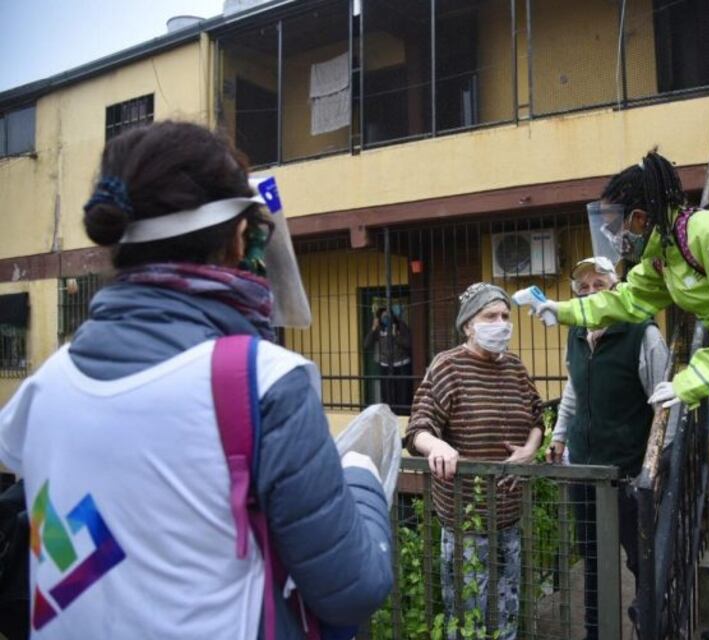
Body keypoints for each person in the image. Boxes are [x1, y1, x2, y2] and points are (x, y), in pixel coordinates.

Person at [0, 122, 393, 638]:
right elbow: (354, 588)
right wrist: (362, 477)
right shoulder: (265, 382)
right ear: (237, 237)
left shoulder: (43, 387)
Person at [536, 150, 709, 639]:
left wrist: (690, 380)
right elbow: (626, 300)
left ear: (640, 217)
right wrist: (562, 310)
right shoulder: (663, 256)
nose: (614, 235)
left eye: (616, 225)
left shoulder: (705, 232)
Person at [405, 282, 544, 640]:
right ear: (468, 325)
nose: (501, 324)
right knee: (467, 616)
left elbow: (537, 417)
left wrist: (530, 449)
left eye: (505, 316)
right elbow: (418, 427)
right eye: (490, 316)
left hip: (510, 515)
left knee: (507, 610)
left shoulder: (515, 367)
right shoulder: (447, 366)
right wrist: (436, 446)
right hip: (466, 521)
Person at [547, 256, 668, 639]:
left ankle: (650, 622)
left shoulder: (643, 333)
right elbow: (573, 389)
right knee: (593, 559)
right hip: (585, 469)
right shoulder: (576, 333)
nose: (590, 293)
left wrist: (656, 465)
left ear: (616, 290)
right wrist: (559, 435)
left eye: (599, 285)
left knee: (641, 559)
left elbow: (665, 404)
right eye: (583, 288)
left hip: (629, 471)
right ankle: (595, 632)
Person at [364, 306, 413, 414]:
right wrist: (373, 328)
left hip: (401, 365)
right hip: (385, 366)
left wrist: (395, 336)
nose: (386, 318)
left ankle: (403, 415)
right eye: (383, 317)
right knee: (387, 395)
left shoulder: (401, 326)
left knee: (402, 395)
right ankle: (388, 414)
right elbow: (366, 344)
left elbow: (408, 344)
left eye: (388, 316)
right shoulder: (379, 329)